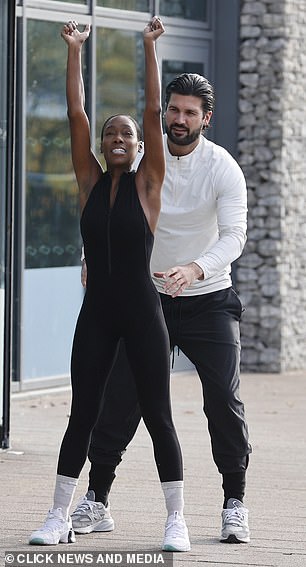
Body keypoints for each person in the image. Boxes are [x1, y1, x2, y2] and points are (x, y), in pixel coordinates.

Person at [28, 17, 191, 553]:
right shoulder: (88, 182)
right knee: (83, 413)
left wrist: (149, 48)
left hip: (144, 312)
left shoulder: (149, 184)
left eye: (127, 134)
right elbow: (75, 112)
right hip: (96, 313)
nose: (117, 138)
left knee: (159, 416)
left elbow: (150, 109)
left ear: (142, 145)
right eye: (110, 133)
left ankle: (176, 520)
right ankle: (59, 514)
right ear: (100, 145)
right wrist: (75, 51)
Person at [73, 71, 252, 545]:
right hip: (144, 300)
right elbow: (106, 215)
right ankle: (97, 498)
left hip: (208, 299)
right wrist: (92, 257)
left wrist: (196, 268)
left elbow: (234, 235)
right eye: (172, 109)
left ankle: (234, 501)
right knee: (119, 399)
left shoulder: (222, 168)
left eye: (190, 112)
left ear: (205, 119)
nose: (179, 119)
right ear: (162, 112)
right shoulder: (140, 164)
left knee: (224, 401)